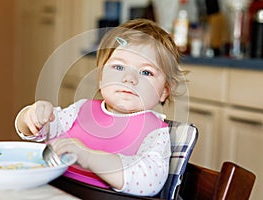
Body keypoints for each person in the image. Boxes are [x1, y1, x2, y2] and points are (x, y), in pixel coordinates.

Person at [15, 18, 186, 196]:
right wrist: (31, 115)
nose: (129, 78)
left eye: (146, 72)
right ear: (101, 77)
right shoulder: (80, 111)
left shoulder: (155, 132)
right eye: (118, 66)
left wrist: (88, 157)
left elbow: (149, 182)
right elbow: (38, 130)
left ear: (164, 91)